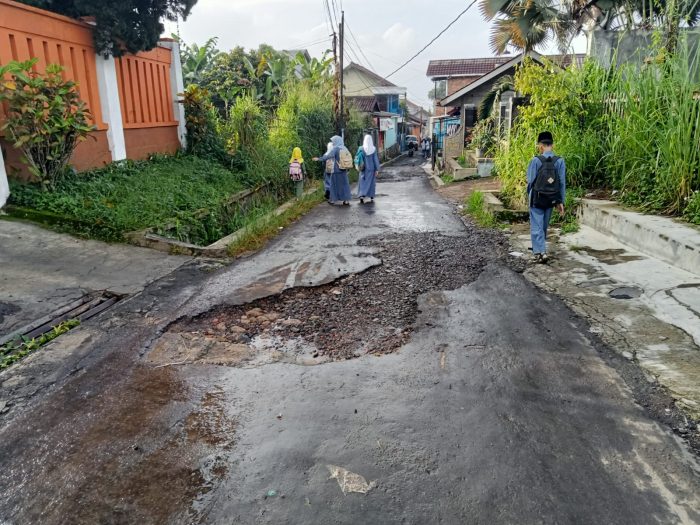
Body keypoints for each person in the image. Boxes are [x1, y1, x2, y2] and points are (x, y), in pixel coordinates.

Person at [526, 131, 566, 264]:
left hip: (537, 197)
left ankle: (541, 252)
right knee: (543, 225)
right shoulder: (559, 161)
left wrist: (528, 195)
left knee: (536, 224)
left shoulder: (536, 160)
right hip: (552, 198)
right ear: (552, 145)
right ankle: (539, 248)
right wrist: (560, 202)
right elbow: (562, 183)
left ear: (540, 146)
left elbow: (530, 180)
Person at [313, 135, 352, 206]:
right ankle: (346, 200)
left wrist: (319, 158)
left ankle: (333, 200)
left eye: (333, 141)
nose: (333, 143)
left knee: (333, 185)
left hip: (336, 171)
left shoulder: (336, 149)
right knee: (344, 185)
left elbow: (328, 156)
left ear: (336, 141)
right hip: (343, 170)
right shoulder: (345, 148)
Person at [356, 134, 381, 204]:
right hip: (371, 169)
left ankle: (362, 195)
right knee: (371, 183)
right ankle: (371, 196)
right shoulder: (373, 149)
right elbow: (375, 159)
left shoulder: (361, 148)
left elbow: (358, 158)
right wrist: (377, 169)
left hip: (363, 168)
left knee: (363, 182)